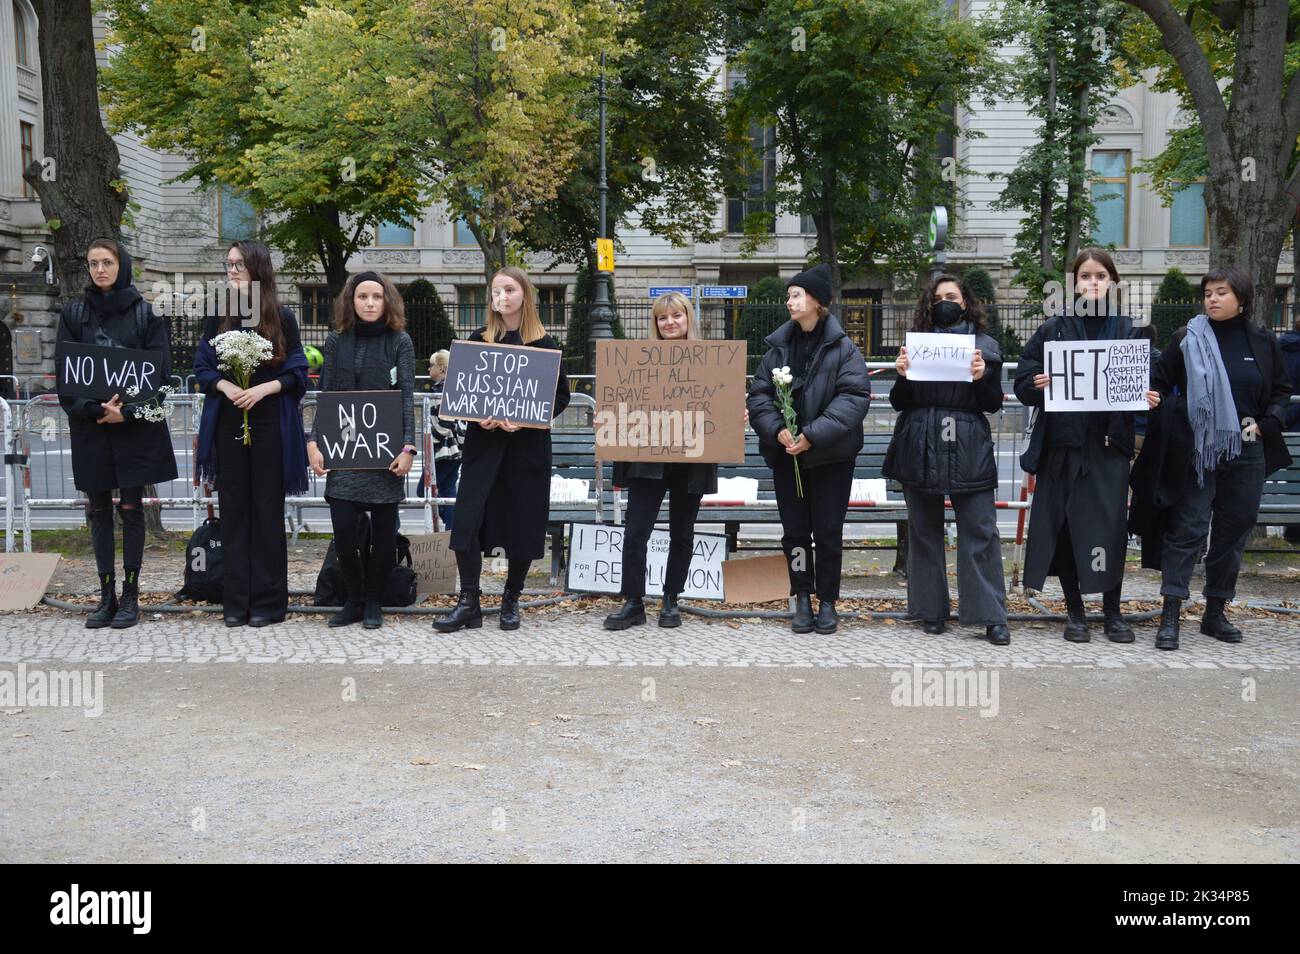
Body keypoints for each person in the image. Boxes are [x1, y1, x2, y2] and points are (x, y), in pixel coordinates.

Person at [1138, 266, 1293, 649]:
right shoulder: (1187, 338)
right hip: (1196, 451)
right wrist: (1158, 401)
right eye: (1208, 292)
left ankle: (1215, 612)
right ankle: (1171, 613)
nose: (1212, 299)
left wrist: (1266, 423)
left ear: (1241, 299)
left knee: (1232, 530)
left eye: (1222, 292)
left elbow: (1280, 390)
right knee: (1187, 529)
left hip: (1246, 449)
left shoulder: (1261, 340)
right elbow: (1157, 381)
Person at [1014, 248, 1160, 644]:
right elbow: (1023, 380)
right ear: (1073, 283)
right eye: (1085, 276)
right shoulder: (1054, 328)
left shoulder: (1131, 329)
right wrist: (1035, 385)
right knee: (1064, 529)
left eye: (1100, 276)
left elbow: (1151, 378)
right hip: (1062, 446)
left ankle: (1112, 612)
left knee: (1109, 529)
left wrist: (1148, 396)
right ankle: (1075, 611)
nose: (1092, 283)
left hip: (1108, 448)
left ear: (1112, 282)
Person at [434, 267, 571, 633]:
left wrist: (525, 418)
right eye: (496, 291)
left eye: (509, 290)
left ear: (524, 294)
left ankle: (512, 600)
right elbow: (459, 392)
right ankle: (470, 603)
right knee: (467, 522)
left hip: (527, 450)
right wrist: (479, 417)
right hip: (484, 446)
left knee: (523, 524)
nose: (501, 297)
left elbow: (560, 397)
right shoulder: (478, 340)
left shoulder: (545, 345)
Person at [57, 239, 177, 629]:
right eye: (92, 263)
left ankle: (130, 593)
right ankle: (105, 592)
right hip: (92, 428)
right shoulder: (75, 313)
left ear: (120, 265)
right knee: (97, 509)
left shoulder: (147, 314)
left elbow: (159, 375)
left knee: (131, 508)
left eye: (106, 262)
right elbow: (66, 372)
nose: (99, 270)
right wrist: (95, 411)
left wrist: (125, 413)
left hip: (133, 429)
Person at [886, 273, 1011, 645]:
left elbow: (991, 403)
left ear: (966, 302)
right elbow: (898, 402)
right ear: (929, 304)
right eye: (939, 297)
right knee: (924, 531)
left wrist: (983, 377)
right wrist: (902, 376)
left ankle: (991, 615)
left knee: (980, 531)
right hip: (919, 442)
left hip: (968, 444)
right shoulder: (915, 347)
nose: (945, 302)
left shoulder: (986, 347)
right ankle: (931, 610)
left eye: (952, 296)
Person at [747, 263, 871, 635]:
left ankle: (828, 601)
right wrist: (777, 431)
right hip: (789, 459)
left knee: (829, 531)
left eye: (796, 295)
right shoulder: (778, 348)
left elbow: (853, 398)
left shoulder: (844, 349)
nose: (789, 301)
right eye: (788, 296)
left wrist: (813, 435)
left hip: (830, 458)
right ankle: (802, 596)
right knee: (796, 532)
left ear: (817, 301)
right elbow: (759, 395)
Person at [195, 240, 309, 627]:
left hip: (269, 422)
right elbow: (202, 365)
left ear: (258, 268)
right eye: (227, 265)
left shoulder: (281, 316)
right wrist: (226, 387)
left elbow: (297, 371)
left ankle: (268, 602)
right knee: (234, 512)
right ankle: (235, 602)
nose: (231, 271)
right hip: (229, 422)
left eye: (238, 264)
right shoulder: (217, 315)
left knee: (266, 511)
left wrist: (263, 388)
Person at [306, 272, 416, 629]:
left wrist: (408, 448)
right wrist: (312, 442)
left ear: (387, 301)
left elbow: (406, 398)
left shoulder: (400, 342)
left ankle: (373, 602)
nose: (369, 303)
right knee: (344, 534)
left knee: (384, 537)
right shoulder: (336, 341)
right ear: (350, 301)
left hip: (385, 454)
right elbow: (325, 396)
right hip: (345, 453)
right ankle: (353, 599)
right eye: (362, 296)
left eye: (376, 297)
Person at [604, 292, 719, 631]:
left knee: (682, 533)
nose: (670, 323)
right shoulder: (638, 361)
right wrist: (608, 419)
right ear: (655, 323)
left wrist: (731, 416)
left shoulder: (710, 360)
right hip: (647, 458)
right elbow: (621, 402)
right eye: (662, 318)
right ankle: (633, 601)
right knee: (637, 531)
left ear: (688, 319)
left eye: (676, 316)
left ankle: (671, 599)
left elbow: (717, 407)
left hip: (692, 459)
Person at [425, 349, 465, 532]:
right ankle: (452, 529)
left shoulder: (442, 389)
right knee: (448, 490)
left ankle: (452, 526)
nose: (428, 368)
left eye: (432, 365)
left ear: (441, 368)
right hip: (456, 450)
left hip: (444, 449)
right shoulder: (454, 386)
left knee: (424, 490)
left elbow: (445, 421)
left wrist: (434, 437)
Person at [1278, 315, 1300, 544]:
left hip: (1277, 420)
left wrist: (1280, 418)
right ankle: (1294, 530)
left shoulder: (1280, 346)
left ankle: (1292, 529)